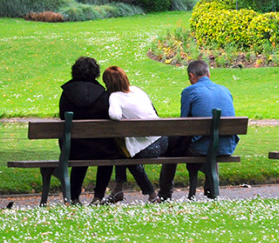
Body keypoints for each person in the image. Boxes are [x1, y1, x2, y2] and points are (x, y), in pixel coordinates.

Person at [157, 60, 240, 201]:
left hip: (201, 148)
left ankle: (165, 194)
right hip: (226, 146)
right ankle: (211, 191)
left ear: (191, 76)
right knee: (213, 141)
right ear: (209, 73)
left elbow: (183, 125)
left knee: (170, 150)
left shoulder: (189, 91)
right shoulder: (225, 90)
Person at [59, 57, 123, 205]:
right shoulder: (103, 94)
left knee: (80, 148)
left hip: (73, 149)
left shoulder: (67, 93)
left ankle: (74, 197)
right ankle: (98, 196)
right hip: (101, 149)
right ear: (95, 73)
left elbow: (63, 117)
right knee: (107, 152)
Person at [103, 66, 167, 204]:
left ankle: (152, 195)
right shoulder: (137, 90)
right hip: (162, 140)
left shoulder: (115, 96)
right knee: (123, 152)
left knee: (128, 159)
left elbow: (114, 115)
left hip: (150, 147)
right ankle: (117, 190)